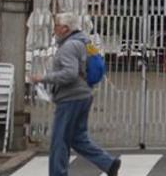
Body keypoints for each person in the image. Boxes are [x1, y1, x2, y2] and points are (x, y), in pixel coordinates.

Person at [32, 12, 120, 176]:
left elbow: (70, 74)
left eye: (57, 25)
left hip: (70, 97)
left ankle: (58, 173)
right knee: (77, 138)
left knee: (59, 141)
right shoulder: (84, 41)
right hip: (83, 95)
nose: (54, 29)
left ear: (65, 28)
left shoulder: (69, 46)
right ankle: (108, 163)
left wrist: (43, 78)